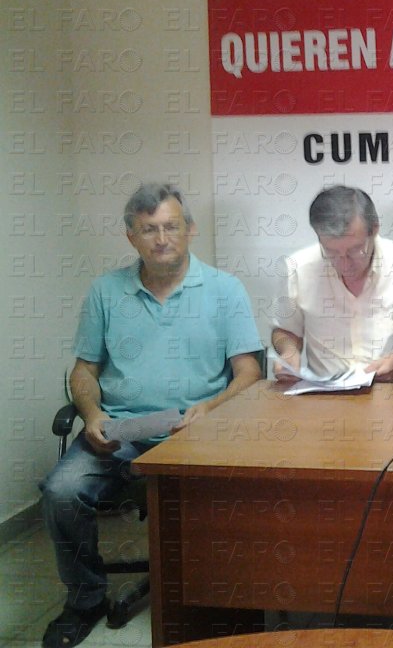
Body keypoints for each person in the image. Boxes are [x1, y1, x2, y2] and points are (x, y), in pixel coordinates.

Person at [39, 182, 263, 648]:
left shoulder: (224, 290)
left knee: (240, 496)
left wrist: (209, 408)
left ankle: (222, 598)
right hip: (123, 429)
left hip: (199, 430)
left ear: (190, 229)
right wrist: (92, 413)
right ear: (131, 237)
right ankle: (85, 600)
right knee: (61, 491)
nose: (162, 239)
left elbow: (249, 373)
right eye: (148, 230)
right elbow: (83, 370)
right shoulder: (106, 291)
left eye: (170, 227)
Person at [272, 185, 393, 384]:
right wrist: (288, 352)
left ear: (375, 229)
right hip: (324, 394)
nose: (344, 264)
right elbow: (285, 331)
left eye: (355, 251)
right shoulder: (298, 269)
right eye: (331, 252)